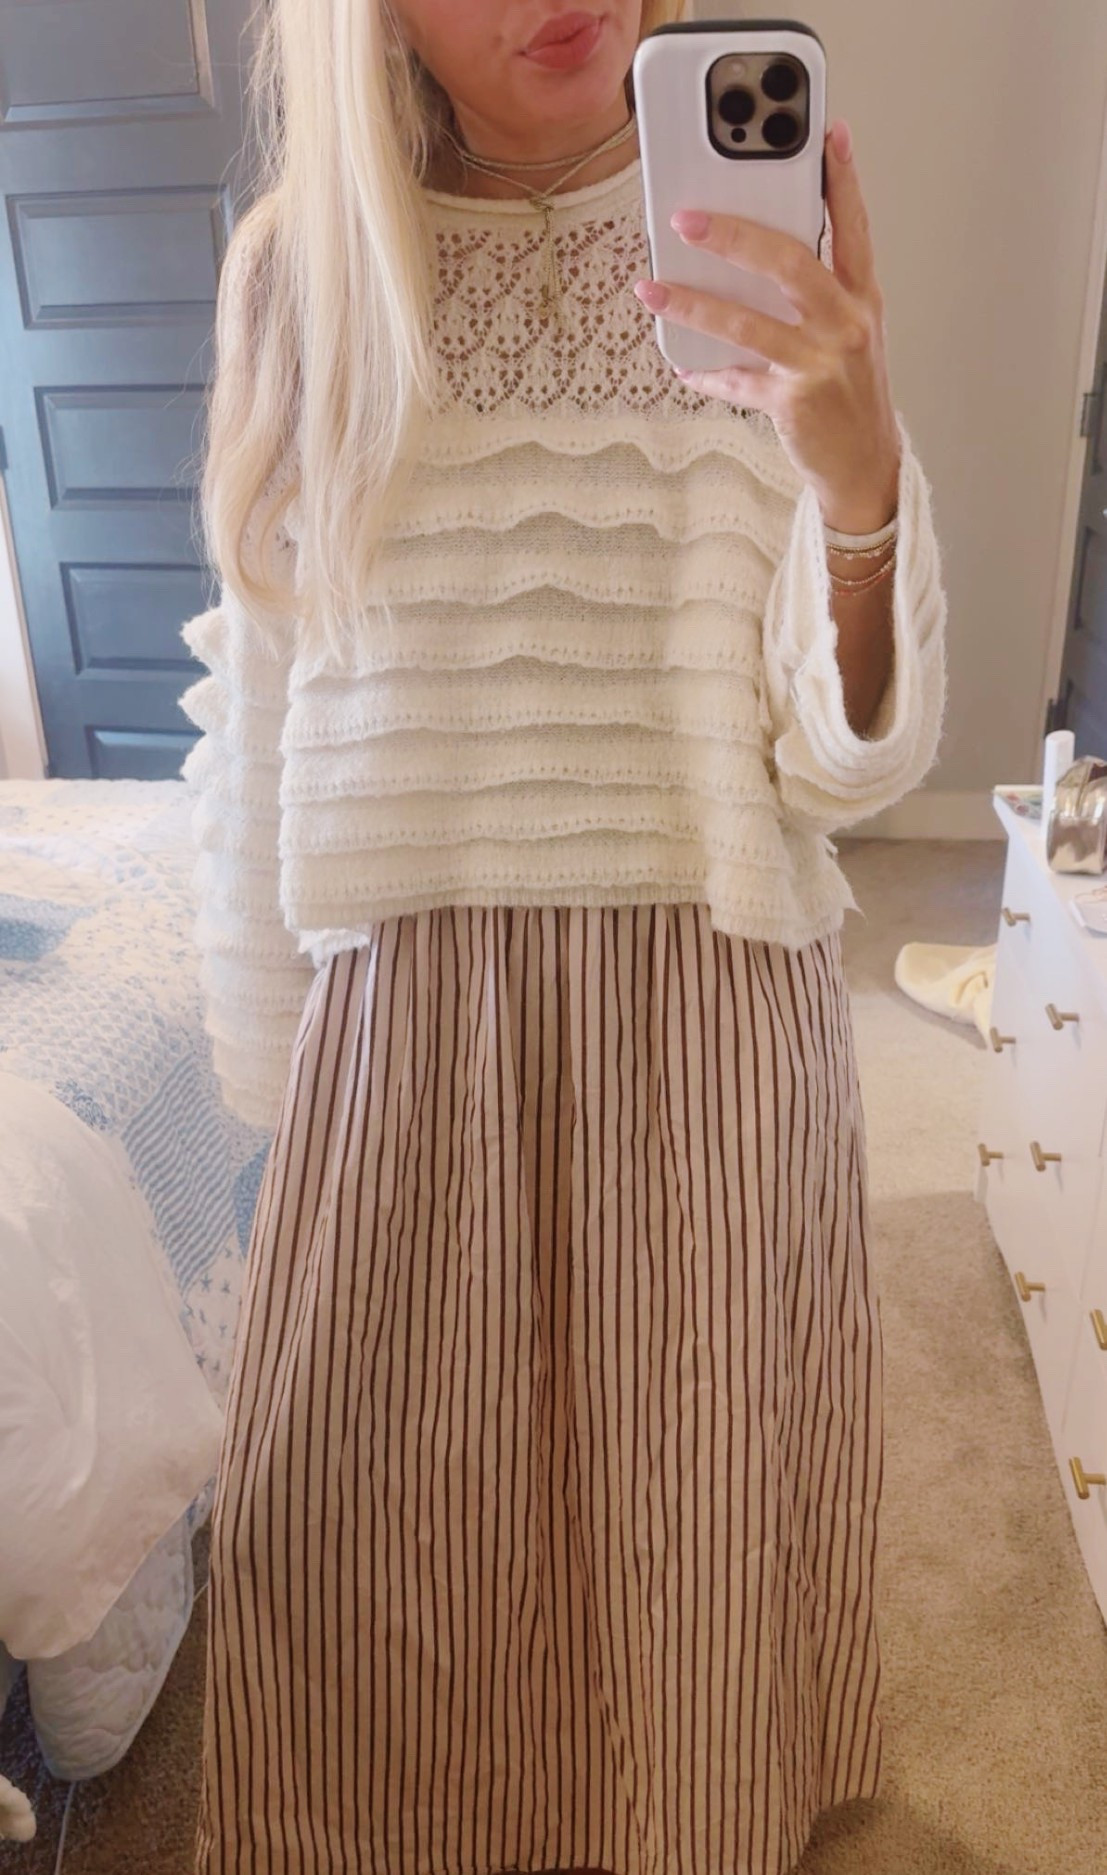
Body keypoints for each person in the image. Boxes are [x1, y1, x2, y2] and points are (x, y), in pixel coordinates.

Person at [180, 3, 948, 1872]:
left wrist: (859, 489)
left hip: (707, 1007)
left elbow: (846, 768)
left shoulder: (755, 232)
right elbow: (271, 688)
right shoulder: (299, 270)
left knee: (692, 1512)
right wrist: (269, 1068)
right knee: (363, 1511)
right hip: (408, 1021)